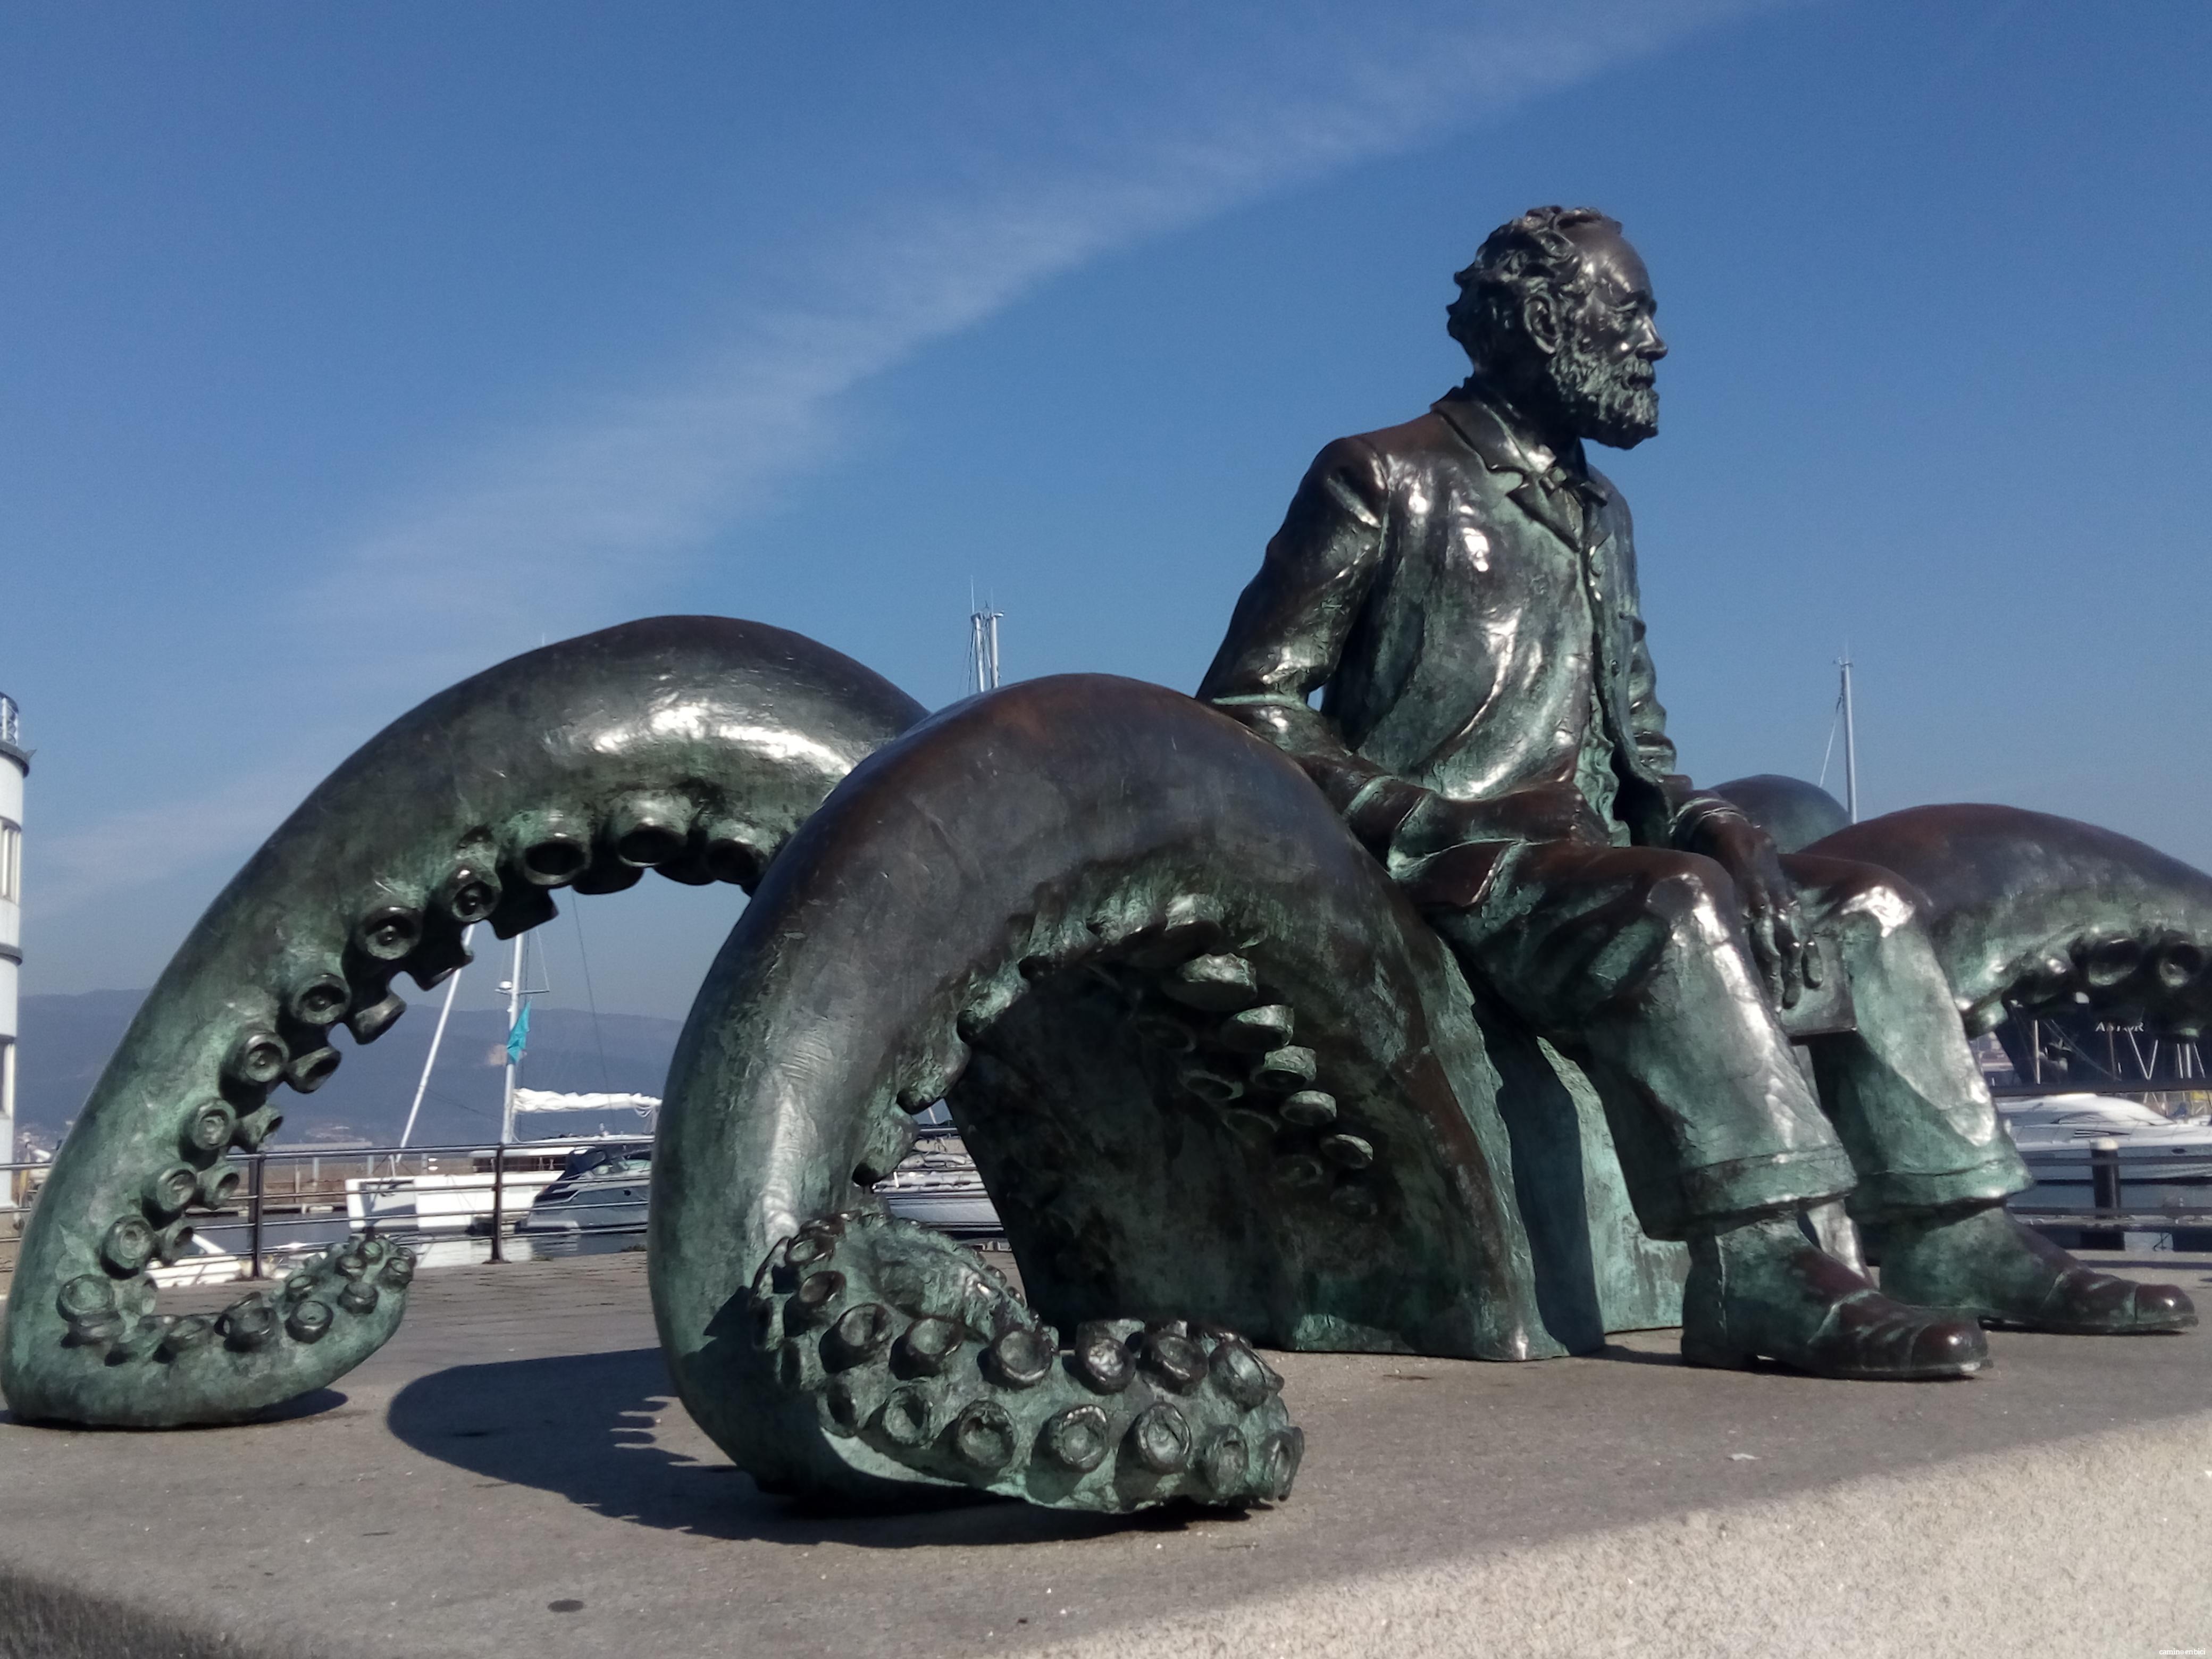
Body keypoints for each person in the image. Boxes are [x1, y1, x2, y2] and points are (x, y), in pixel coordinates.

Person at [1197, 205, 2193, 1378]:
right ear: (1543, 323)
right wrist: (1430, 820)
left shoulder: (1603, 513)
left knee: (1869, 911)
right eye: (1631, 312)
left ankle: (1952, 1236)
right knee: (1672, 904)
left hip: (1596, 859)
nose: (1654, 343)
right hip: (1462, 866)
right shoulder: (1381, 475)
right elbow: (1249, 705)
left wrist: (1718, 823)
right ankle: (1755, 1269)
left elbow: (1640, 739)